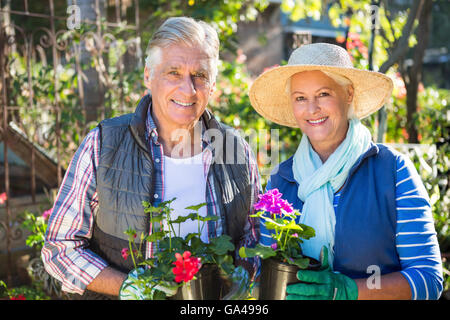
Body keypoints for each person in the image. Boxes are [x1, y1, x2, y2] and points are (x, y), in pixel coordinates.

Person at [42, 16, 260, 300]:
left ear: (213, 84)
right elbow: (61, 247)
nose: (188, 89)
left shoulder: (237, 150)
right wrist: (125, 286)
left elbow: (254, 234)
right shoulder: (102, 144)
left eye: (200, 75)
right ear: (148, 75)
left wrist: (245, 269)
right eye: (173, 72)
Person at [249, 42, 443, 300]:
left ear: (348, 94)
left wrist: (349, 291)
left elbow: (428, 280)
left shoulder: (392, 171)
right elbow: (265, 274)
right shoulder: (280, 182)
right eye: (300, 98)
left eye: (324, 94)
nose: (312, 108)